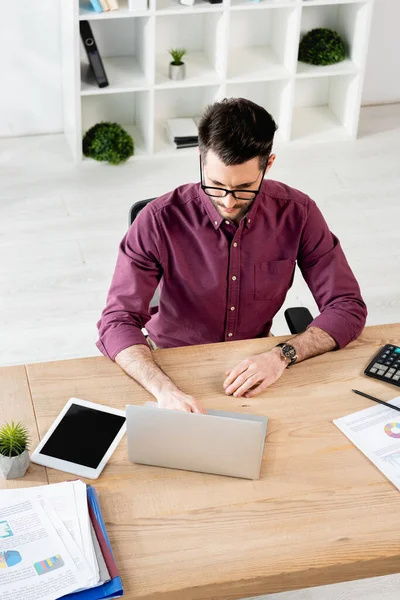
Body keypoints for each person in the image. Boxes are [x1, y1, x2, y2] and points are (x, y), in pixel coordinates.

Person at [96, 98, 367, 414]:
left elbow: (347, 306)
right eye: (215, 185)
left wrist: (283, 355)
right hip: (171, 366)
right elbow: (117, 321)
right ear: (201, 159)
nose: (227, 201)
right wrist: (163, 390)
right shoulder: (157, 220)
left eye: (243, 188)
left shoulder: (299, 213)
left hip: (258, 362)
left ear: (268, 164)